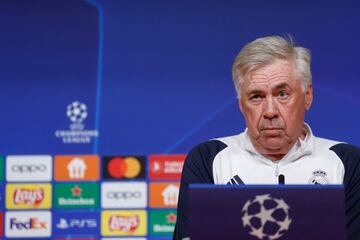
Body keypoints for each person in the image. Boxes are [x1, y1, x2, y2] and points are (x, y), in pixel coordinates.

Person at [173, 35, 360, 240]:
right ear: (240, 104)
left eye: (282, 94)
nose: (270, 111)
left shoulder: (347, 162)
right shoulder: (208, 159)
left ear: (307, 96)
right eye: (256, 96)